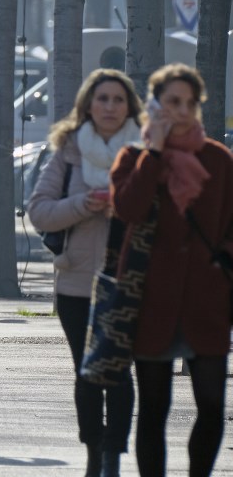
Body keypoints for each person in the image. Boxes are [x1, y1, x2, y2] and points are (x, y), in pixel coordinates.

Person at [110, 63, 233, 477]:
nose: (181, 110)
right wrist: (156, 155)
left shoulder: (219, 160)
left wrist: (222, 264)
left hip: (207, 300)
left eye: (188, 103)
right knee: (154, 409)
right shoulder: (135, 158)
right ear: (155, 105)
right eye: (171, 102)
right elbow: (128, 209)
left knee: (213, 404)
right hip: (152, 302)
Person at [27, 68, 143, 477]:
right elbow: (39, 211)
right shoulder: (68, 151)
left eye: (118, 99)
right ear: (88, 106)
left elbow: (166, 213)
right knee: (87, 370)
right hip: (77, 281)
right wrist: (83, 204)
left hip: (130, 280)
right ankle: (94, 450)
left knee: (120, 369)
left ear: (130, 106)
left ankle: (114, 453)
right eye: (102, 99)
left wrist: (125, 205)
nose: (110, 107)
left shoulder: (147, 151)